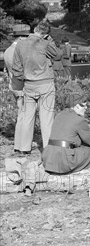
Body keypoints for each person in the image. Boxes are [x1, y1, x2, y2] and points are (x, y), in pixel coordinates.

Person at [12, 21, 58, 153]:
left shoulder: (20, 44)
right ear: (45, 34)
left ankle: (24, 148)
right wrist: (49, 39)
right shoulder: (45, 43)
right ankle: (48, 148)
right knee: (46, 117)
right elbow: (57, 54)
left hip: (29, 84)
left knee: (27, 117)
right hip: (45, 83)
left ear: (34, 29)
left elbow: (16, 67)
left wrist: (24, 77)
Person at [41, 100, 90, 174]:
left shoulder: (59, 115)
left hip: (48, 158)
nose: (86, 108)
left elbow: (67, 133)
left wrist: (89, 133)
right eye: (84, 106)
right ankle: (85, 170)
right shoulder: (79, 120)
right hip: (64, 161)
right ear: (77, 106)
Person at [3, 36, 26, 153]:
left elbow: (6, 70)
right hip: (21, 87)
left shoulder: (7, 51)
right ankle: (20, 144)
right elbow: (21, 71)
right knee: (23, 115)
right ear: (21, 38)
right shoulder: (18, 52)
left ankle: (20, 143)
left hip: (13, 85)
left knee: (21, 114)